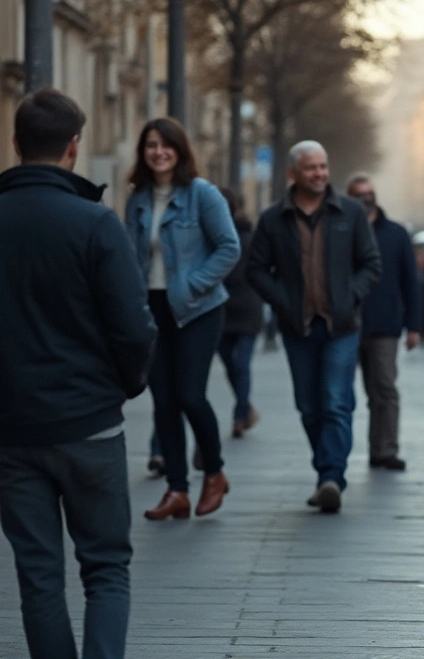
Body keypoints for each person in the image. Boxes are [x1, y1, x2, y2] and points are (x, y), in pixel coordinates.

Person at [0, 88, 157, 659]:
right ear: (74, 147)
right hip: (89, 424)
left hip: (12, 430)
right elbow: (135, 329)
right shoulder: (95, 223)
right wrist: (121, 387)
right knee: (106, 567)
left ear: (16, 145)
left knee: (38, 574)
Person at [247, 141, 381, 513]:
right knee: (309, 406)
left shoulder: (350, 212)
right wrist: (283, 302)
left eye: (323, 166)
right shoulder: (274, 219)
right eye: (311, 168)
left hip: (341, 326)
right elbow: (255, 269)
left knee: (336, 402)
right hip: (298, 327)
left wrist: (349, 297)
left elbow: (371, 264)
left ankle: (330, 477)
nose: (319, 174)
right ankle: (326, 471)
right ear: (293, 173)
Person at [125, 117, 239, 521]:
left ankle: (214, 471)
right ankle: (177, 490)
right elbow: (132, 255)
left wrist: (193, 285)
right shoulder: (137, 199)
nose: (158, 152)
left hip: (197, 310)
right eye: (151, 145)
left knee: (191, 395)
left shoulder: (201, 194)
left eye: (166, 145)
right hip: (152, 311)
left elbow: (229, 247)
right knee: (164, 402)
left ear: (180, 150)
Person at [346, 175, 422, 471]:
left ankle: (384, 449)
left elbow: (410, 282)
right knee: (339, 393)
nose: (365, 199)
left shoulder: (396, 234)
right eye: (358, 194)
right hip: (344, 325)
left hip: (385, 326)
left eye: (369, 193)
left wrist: (414, 326)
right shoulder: (342, 230)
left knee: (384, 390)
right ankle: (337, 455)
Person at [217, 187, 264, 438]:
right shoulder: (207, 232)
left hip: (247, 308)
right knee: (229, 363)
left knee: (242, 363)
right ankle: (247, 409)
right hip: (221, 309)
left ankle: (239, 416)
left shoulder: (248, 233)